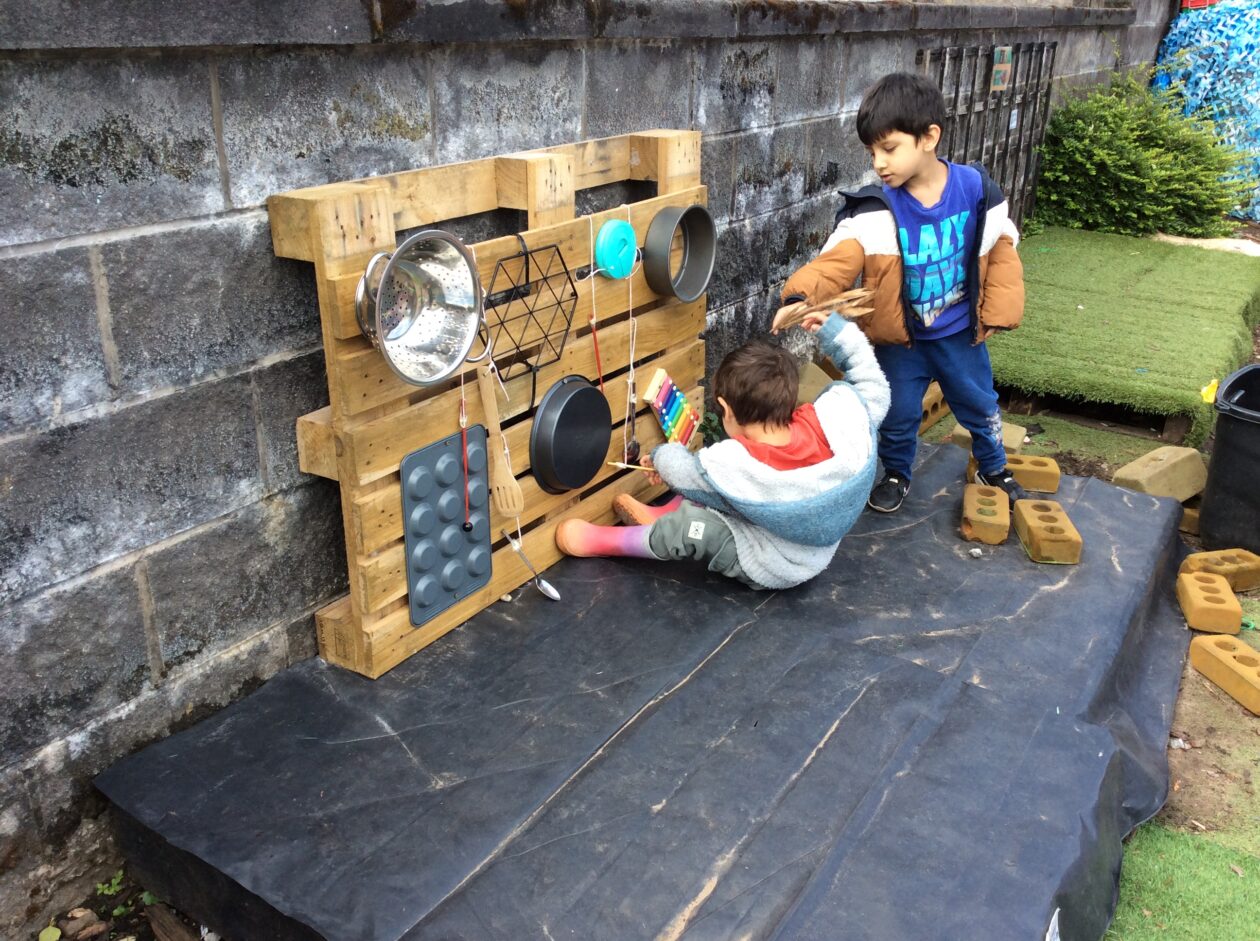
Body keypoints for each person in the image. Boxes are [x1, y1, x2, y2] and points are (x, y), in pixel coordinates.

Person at [774, 71, 1027, 513]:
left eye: (889, 149)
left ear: (929, 137)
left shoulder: (975, 191)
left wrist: (998, 309)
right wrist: (800, 298)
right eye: (872, 152)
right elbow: (835, 263)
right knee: (897, 412)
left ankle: (993, 466)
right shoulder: (876, 211)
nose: (879, 162)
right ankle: (896, 472)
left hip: (959, 335)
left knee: (980, 403)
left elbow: (1002, 241)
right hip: (901, 343)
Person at [555, 314, 889, 590]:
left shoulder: (740, 467)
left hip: (778, 560)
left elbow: (683, 470)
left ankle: (603, 542)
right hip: (809, 540)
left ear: (726, 409)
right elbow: (872, 384)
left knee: (693, 523)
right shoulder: (837, 424)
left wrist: (658, 457)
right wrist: (839, 333)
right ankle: (660, 515)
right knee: (709, 480)